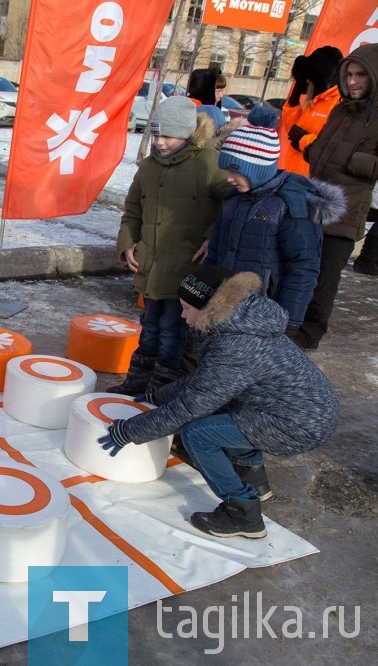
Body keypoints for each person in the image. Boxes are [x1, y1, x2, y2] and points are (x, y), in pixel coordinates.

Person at [99, 267, 339, 539]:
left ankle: (242, 512)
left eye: (187, 308)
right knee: (226, 409)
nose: (183, 315)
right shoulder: (239, 323)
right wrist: (158, 396)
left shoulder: (235, 346)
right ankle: (254, 480)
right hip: (298, 409)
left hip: (296, 424)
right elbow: (203, 383)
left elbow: (190, 407)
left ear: (208, 308)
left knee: (198, 433)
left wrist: (129, 431)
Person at [110, 96, 233, 394]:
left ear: (187, 133)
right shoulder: (149, 167)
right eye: (156, 135)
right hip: (150, 264)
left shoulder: (208, 162)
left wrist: (211, 237)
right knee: (149, 326)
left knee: (173, 331)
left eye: (168, 135)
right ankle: (137, 382)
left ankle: (161, 391)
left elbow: (234, 201)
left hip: (185, 267)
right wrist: (128, 244)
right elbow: (132, 211)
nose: (160, 143)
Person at [208, 105, 345, 332]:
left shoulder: (290, 206)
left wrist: (289, 318)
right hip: (226, 306)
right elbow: (216, 251)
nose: (230, 179)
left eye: (236, 171)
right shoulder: (233, 200)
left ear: (257, 169)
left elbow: (302, 267)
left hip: (266, 310)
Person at [294, 43, 378, 350]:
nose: (353, 81)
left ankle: (309, 335)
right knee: (302, 270)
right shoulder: (341, 109)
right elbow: (324, 146)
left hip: (345, 211)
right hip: (316, 200)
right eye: (350, 74)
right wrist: (312, 150)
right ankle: (293, 326)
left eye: (361, 75)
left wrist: (352, 159)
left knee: (325, 280)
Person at [281, 46, 343, 176]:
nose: (307, 81)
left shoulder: (338, 102)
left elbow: (334, 145)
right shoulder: (315, 100)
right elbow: (292, 130)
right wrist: (293, 102)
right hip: (294, 172)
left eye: (310, 77)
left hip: (312, 179)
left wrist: (303, 139)